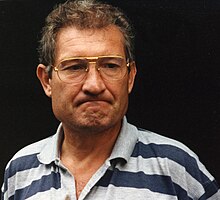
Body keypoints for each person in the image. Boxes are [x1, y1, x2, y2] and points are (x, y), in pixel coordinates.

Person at [1, 0, 220, 199]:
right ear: (47, 80)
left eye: (110, 66)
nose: (94, 85)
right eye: (75, 67)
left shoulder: (177, 168)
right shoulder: (20, 172)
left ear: (130, 77)